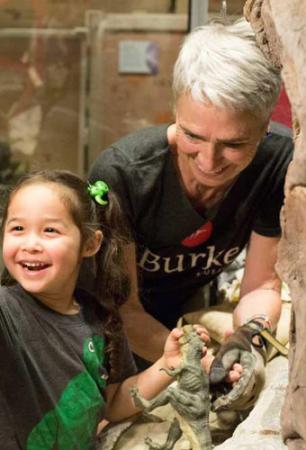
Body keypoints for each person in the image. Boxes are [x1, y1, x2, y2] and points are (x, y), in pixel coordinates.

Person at [0, 171, 210, 450]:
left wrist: (167, 365)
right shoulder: (5, 312)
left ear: (89, 244)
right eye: (17, 228)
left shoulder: (102, 318)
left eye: (50, 230)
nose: (31, 243)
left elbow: (113, 403)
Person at [88, 18, 293, 408]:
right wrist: (200, 360)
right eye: (192, 136)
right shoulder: (124, 174)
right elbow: (124, 310)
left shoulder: (277, 161)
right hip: (109, 328)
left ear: (266, 125)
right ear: (175, 109)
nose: (209, 162)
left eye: (233, 144)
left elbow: (262, 285)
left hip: (185, 317)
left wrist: (248, 339)